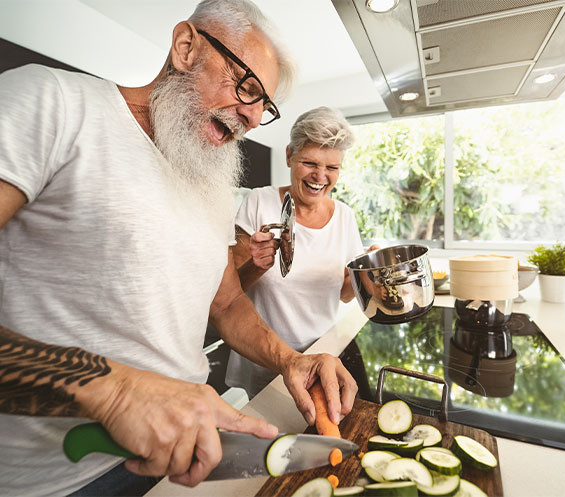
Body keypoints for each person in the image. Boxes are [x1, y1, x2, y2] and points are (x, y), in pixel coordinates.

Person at [0, 2, 357, 496]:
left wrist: (290, 361)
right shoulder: (52, 103)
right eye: (246, 86)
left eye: (263, 106)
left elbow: (228, 304)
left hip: (182, 459)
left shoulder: (209, 184)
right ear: (186, 47)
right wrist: (116, 392)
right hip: (54, 478)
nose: (252, 117)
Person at [226, 106, 371, 398]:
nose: (320, 176)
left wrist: (368, 275)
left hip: (325, 352)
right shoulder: (259, 203)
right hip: (268, 358)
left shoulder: (345, 216)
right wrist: (258, 264)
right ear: (290, 155)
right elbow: (229, 293)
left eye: (332, 168)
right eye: (310, 163)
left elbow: (343, 293)